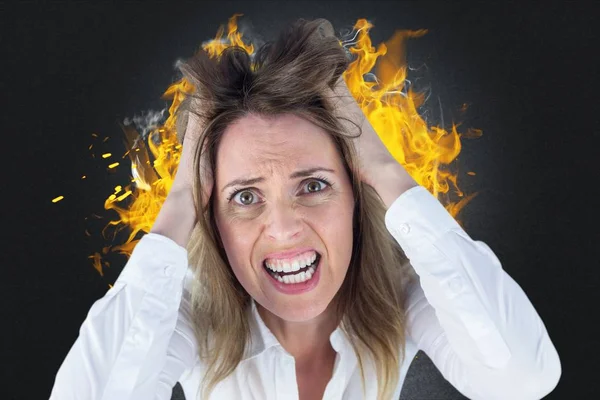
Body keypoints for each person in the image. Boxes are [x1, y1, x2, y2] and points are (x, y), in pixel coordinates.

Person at [49, 19, 561, 400]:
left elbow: (522, 380)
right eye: (244, 197)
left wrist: (384, 167)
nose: (285, 228)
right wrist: (181, 200)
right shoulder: (186, 315)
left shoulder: (406, 295)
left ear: (355, 195)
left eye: (313, 185)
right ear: (214, 217)